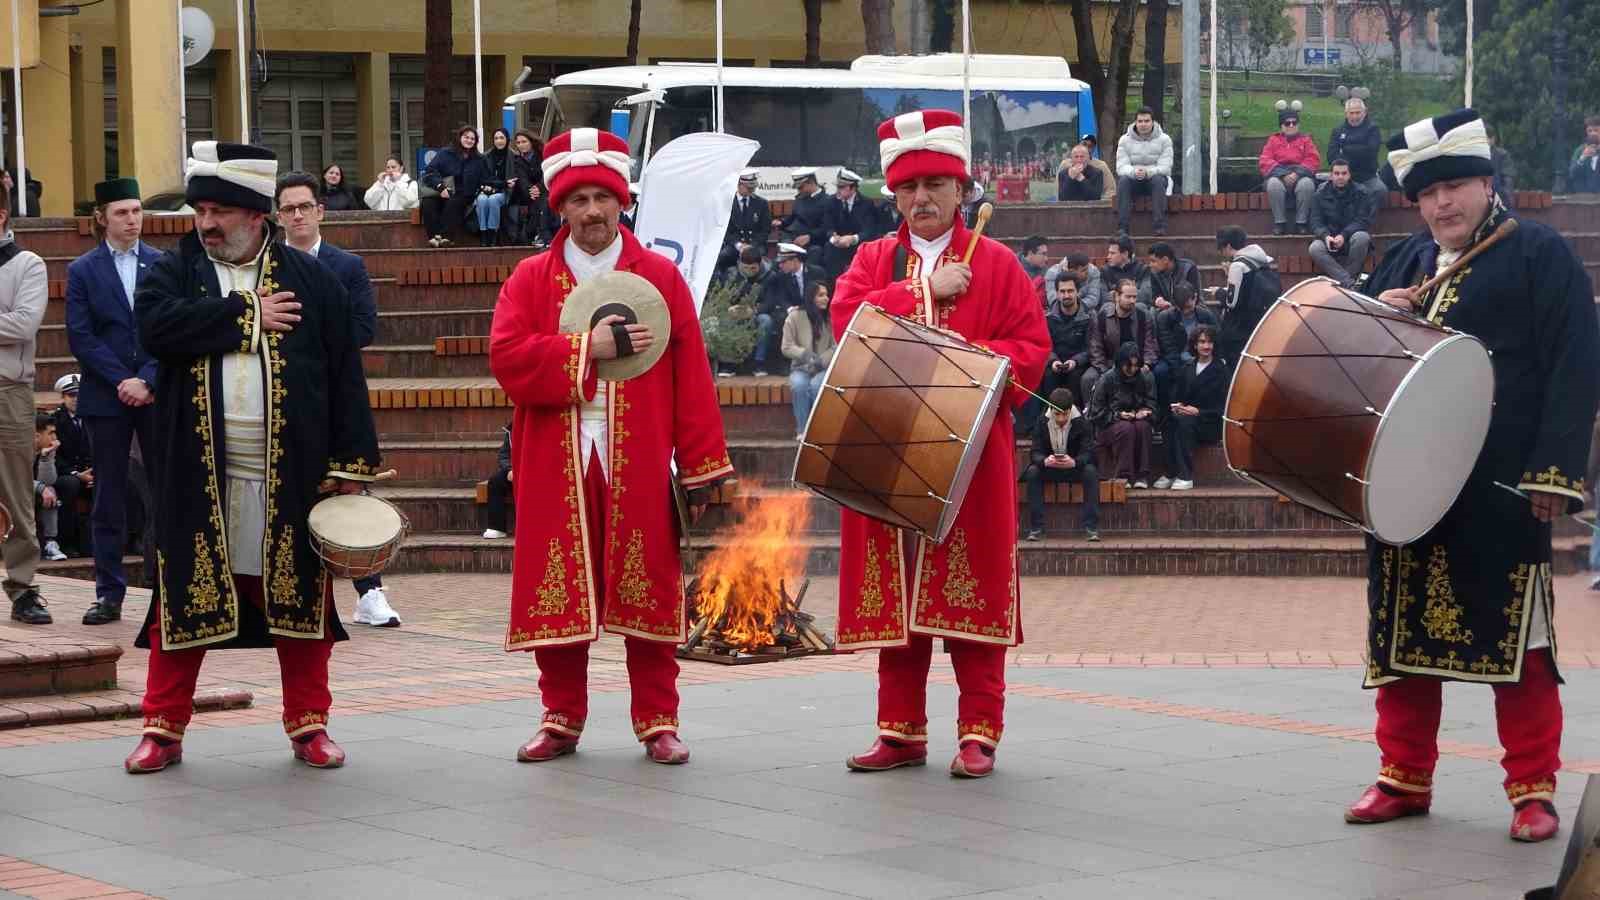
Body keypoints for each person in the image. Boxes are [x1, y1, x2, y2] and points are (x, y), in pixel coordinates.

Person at [1345, 108, 1599, 844]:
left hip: (1500, 486)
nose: (1440, 205)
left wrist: (1554, 474)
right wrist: (1373, 312)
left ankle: (1532, 789)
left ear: (1488, 183)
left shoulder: (1539, 255)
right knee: (1397, 638)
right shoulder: (1400, 263)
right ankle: (1402, 776)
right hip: (1403, 489)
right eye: (1426, 195)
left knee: (1519, 644)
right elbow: (1354, 357)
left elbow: (1576, 365)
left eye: (1454, 187)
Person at [124, 140, 380, 774]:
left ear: (257, 215)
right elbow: (156, 329)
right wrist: (246, 316)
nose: (205, 224)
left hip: (290, 474)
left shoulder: (315, 280)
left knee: (303, 609)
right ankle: (162, 728)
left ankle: (310, 726)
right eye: (199, 210)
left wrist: (351, 472)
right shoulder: (175, 270)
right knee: (180, 600)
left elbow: (347, 375)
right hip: (196, 472)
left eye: (219, 212)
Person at [489, 126, 734, 766]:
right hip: (555, 455)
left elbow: (692, 376)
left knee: (648, 582)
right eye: (578, 200)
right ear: (559, 207)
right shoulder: (529, 280)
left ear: (622, 199)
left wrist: (705, 467)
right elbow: (508, 359)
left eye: (603, 197)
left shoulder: (660, 277)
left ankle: (658, 719)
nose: (592, 211)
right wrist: (585, 350)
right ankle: (560, 716)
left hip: (643, 453)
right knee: (559, 586)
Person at [832, 109, 1049, 779]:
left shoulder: (1001, 264)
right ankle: (900, 731)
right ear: (893, 196)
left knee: (972, 598)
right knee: (898, 605)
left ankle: (979, 732)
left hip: (969, 458)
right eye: (907, 188)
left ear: (961, 189)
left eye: (934, 185)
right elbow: (847, 321)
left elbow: (1032, 350)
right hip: (884, 451)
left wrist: (967, 366)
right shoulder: (873, 259)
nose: (921, 200)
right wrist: (925, 290)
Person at [276, 171, 401, 629]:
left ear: (320, 211)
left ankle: (370, 593)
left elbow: (364, 328)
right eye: (288, 209)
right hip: (283, 398)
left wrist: (309, 341)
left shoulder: (346, 266)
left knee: (349, 488)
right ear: (278, 215)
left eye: (304, 207)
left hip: (335, 395)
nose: (297, 216)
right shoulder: (268, 267)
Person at [66, 178, 162, 622]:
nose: (132, 220)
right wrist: (123, 379)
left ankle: (166, 587)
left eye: (137, 211)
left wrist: (146, 378)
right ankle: (109, 592)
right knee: (108, 494)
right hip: (106, 397)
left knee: (163, 490)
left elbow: (170, 332)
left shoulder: (162, 266)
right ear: (103, 217)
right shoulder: (83, 270)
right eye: (123, 212)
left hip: (156, 394)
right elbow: (82, 337)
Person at [0, 178, 50, 624]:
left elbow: (21, 326)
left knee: (15, 492)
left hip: (7, 391)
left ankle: (22, 587)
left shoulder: (26, 265)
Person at [1024, 387, 1100, 543]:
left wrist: (1075, 462)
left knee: (1091, 472)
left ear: (1070, 409)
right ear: (1051, 409)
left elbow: (1089, 452)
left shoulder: (1082, 422)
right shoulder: (1041, 421)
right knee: (1032, 472)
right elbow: (1035, 452)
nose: (1061, 419)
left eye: (1065, 414)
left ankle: (1091, 527)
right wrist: (1044, 461)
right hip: (1050, 468)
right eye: (1057, 414)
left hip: (1074, 468)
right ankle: (1036, 527)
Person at [1152, 283, 1216, 452]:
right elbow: (1169, 348)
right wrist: (1182, 369)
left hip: (1200, 357)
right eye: (1182, 309)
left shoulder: (1205, 315)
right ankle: (1163, 414)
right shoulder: (1165, 317)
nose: (1186, 312)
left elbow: (1215, 340)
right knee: (1160, 372)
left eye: (1188, 307)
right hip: (1177, 359)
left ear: (1195, 298)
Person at [1164, 324, 1228, 491]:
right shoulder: (1187, 368)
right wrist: (1177, 406)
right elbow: (1177, 396)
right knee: (1169, 421)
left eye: (1210, 342)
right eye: (1202, 342)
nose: (1206, 346)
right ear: (1195, 345)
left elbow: (1224, 408)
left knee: (1184, 422)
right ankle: (1171, 473)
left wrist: (1199, 412)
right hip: (1186, 418)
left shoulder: (1221, 371)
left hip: (1210, 424)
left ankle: (1185, 476)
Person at [1210, 226, 1278, 368]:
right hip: (1258, 322)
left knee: (1235, 367)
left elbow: (1231, 302)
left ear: (1228, 246)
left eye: (1221, 248)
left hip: (1239, 329)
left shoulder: (1237, 265)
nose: (1221, 252)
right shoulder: (1260, 259)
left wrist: (1218, 292)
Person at [1085, 277, 1157, 411]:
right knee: (1088, 378)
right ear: (1117, 296)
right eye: (1128, 296)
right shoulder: (1103, 316)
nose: (1132, 301)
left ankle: (1149, 416)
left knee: (1149, 376)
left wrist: (1146, 363)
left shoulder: (1143, 315)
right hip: (1110, 363)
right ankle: (1091, 416)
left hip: (1136, 364)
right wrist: (1103, 370)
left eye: (1135, 297)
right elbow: (1096, 347)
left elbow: (1150, 344)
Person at [1093, 342, 1156, 488]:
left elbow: (1152, 404)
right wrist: (1118, 415)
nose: (1133, 369)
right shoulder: (1107, 379)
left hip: (1136, 420)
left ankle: (1142, 476)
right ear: (1120, 363)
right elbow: (1096, 412)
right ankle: (1124, 475)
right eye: (1129, 365)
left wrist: (1145, 412)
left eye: (1136, 365)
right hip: (1109, 425)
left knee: (1143, 427)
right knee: (1126, 428)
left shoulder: (1145, 377)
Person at [1309, 159, 1379, 288]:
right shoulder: (1319, 194)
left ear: (1349, 175)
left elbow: (1363, 220)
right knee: (1314, 248)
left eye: (1344, 173)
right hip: (1329, 239)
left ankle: (1345, 282)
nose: (1340, 176)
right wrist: (1325, 236)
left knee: (1362, 237)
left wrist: (1344, 235)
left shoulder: (1361, 192)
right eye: (1336, 173)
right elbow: (1315, 221)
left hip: (1351, 237)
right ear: (1331, 175)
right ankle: (1349, 283)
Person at [781, 281, 836, 439]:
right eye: (821, 295)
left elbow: (836, 345)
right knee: (799, 385)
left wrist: (821, 360)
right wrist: (806, 355)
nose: (826, 298)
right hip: (801, 368)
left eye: (826, 295)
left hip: (824, 368)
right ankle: (802, 431)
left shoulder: (831, 317)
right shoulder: (794, 317)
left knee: (815, 386)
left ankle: (817, 430)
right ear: (811, 297)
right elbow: (786, 346)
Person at [46, 374, 93, 559]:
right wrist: (76, 473)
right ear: (63, 398)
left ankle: (123, 540)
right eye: (71, 395)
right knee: (70, 485)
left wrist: (94, 474)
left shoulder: (93, 418)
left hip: (90, 472)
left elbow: (102, 447)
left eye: (80, 395)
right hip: (64, 473)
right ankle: (67, 543)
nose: (76, 399)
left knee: (121, 484)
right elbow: (54, 455)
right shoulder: (55, 421)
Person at [755, 243, 818, 377]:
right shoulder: (781, 276)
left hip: (812, 308)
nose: (780, 265)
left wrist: (804, 308)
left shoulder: (815, 272)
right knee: (781, 319)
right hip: (792, 310)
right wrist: (789, 308)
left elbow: (821, 294)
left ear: (795, 261)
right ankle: (785, 362)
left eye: (784, 262)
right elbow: (780, 296)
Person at [1259, 103, 1322, 234]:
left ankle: (1301, 223)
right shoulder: (1273, 140)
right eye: (1287, 123)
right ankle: (1280, 223)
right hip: (1279, 176)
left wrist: (1297, 174)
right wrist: (1283, 175)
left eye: (1294, 122)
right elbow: (1265, 160)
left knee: (1307, 185)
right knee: (1273, 185)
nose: (1291, 125)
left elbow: (1313, 159)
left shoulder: (1306, 140)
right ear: (1282, 126)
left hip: (1301, 175)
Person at [1039, 271, 1093, 418]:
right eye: (1062, 291)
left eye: (1070, 291)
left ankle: (1074, 419)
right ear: (1056, 293)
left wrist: (1075, 361)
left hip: (1078, 364)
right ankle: (1049, 419)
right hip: (1055, 362)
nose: (1066, 295)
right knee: (1048, 375)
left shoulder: (1089, 317)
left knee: (1075, 377)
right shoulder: (1048, 318)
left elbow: (1091, 348)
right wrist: (1053, 360)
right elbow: (1045, 345)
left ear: (1078, 292)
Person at [420, 126, 485, 247]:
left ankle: (446, 238)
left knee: (453, 203)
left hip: (464, 194)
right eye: (466, 137)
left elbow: (484, 178)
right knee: (428, 203)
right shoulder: (445, 153)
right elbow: (430, 171)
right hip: (442, 189)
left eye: (472, 138)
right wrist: (440, 187)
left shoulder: (479, 159)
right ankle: (434, 238)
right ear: (460, 137)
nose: (469, 140)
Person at [1115, 108, 1173, 236]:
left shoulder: (1165, 140)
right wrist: (1134, 172)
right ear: (1135, 122)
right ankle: (1122, 228)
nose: (1143, 124)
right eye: (1140, 121)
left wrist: (1148, 172)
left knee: (1158, 180)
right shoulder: (1124, 140)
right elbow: (1121, 167)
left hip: (1154, 178)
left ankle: (1159, 227)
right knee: (1123, 181)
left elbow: (1166, 167)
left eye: (1147, 121)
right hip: (1133, 178)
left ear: (1153, 122)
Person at [33, 414, 77, 561]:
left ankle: (50, 541)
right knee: (46, 490)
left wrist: (47, 457)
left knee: (56, 488)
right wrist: (41, 488)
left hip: (30, 489)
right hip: (10, 490)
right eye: (50, 433)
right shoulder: (21, 450)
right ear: (37, 435)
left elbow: (48, 480)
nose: (55, 437)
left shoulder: (44, 450)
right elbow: (17, 480)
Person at [822, 169, 880, 281]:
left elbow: (869, 231)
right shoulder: (831, 202)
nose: (838, 191)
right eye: (837, 187)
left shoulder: (866, 204)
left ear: (853, 188)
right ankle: (833, 286)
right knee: (829, 249)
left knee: (865, 249)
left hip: (857, 244)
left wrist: (852, 239)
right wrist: (834, 238)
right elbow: (828, 227)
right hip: (838, 244)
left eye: (842, 187)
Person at [1327, 97, 1385, 193]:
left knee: (1380, 189)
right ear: (1346, 114)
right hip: (1343, 176)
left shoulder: (1373, 129)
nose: (1355, 117)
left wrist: (1344, 150)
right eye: (1351, 113)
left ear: (1364, 112)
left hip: (1367, 177)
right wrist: (1360, 150)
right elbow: (1331, 156)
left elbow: (1371, 153)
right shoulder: (1337, 131)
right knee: (1322, 191)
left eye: (1358, 113)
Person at [506, 131, 553, 246]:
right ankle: (538, 236)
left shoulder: (542, 155)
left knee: (543, 201)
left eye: (524, 141)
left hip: (544, 189)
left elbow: (547, 173)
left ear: (531, 142)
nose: (521, 145)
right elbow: (522, 179)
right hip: (527, 193)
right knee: (535, 202)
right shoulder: (517, 160)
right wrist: (531, 190)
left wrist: (538, 187)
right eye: (518, 142)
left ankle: (543, 236)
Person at [721, 169, 772, 270]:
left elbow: (765, 230)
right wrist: (739, 245)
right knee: (723, 257)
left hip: (755, 244)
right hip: (735, 245)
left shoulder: (761, 204)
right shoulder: (726, 204)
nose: (752, 190)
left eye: (753, 187)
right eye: (749, 188)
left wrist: (752, 246)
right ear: (739, 184)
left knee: (762, 261)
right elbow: (724, 230)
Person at [472, 128, 514, 246]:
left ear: (507, 139)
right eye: (496, 138)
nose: (499, 141)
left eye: (502, 138)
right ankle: (484, 234)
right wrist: (487, 187)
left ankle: (492, 233)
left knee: (493, 200)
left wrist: (498, 186)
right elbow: (483, 177)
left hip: (505, 192)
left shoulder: (513, 156)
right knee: (481, 199)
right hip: (486, 189)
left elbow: (512, 181)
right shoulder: (486, 156)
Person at [779, 168, 830, 249]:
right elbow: (793, 216)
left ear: (811, 182)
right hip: (792, 237)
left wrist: (810, 237)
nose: (799, 191)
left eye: (801, 187)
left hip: (813, 242)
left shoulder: (827, 201)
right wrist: (781, 222)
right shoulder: (800, 198)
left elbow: (826, 227)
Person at [1146, 241, 1200, 313]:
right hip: (1167, 311)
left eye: (1153, 261)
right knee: (1153, 311)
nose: (1150, 265)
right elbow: (1155, 296)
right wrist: (1158, 301)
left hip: (1189, 308)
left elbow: (1194, 297)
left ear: (1165, 260)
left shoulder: (1188, 268)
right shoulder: (1155, 273)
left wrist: (1173, 305)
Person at [1101, 235, 1150, 307]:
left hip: (1135, 308)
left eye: (1112, 253)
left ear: (1125, 254)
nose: (1108, 256)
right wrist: (1131, 294)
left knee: (1141, 306)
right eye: (1109, 253)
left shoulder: (1142, 269)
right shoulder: (1104, 271)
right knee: (1107, 307)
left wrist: (1117, 295)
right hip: (1113, 309)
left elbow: (1145, 296)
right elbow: (1103, 297)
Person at [482, 424, 512, 539]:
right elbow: (504, 455)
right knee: (495, 481)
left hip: (537, 473)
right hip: (516, 472)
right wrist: (509, 469)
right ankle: (497, 527)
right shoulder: (514, 428)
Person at [1568, 117, 1600, 194]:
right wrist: (1582, 158)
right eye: (1590, 131)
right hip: (1582, 198)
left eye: (1596, 130)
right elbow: (1572, 174)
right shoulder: (1579, 150)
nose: (1593, 133)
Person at [1017, 235, 1050, 304]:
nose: (1046, 258)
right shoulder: (1013, 270)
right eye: (1043, 254)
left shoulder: (1046, 271)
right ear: (1030, 253)